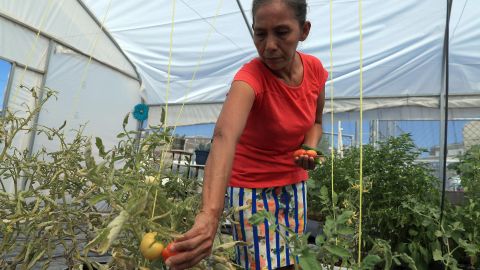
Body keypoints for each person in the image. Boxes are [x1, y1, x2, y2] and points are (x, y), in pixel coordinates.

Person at [166, 0, 328, 269]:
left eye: (282, 32)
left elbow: (316, 121)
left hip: (293, 184)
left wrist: (309, 147)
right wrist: (209, 215)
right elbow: (223, 137)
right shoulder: (250, 78)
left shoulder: (315, 71)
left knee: (293, 258)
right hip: (252, 189)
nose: (270, 46)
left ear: (304, 30)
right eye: (260, 33)